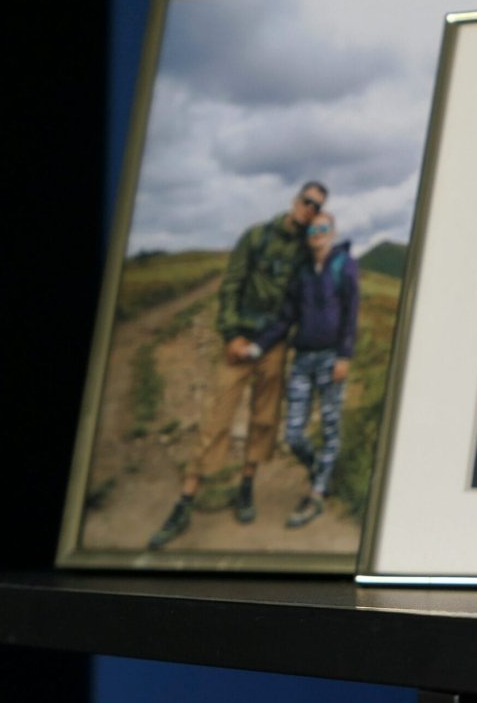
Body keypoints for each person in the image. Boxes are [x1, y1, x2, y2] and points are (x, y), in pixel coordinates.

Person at [148, 181, 326, 550]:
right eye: (306, 201)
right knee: (216, 417)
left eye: (316, 206)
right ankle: (186, 500)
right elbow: (231, 284)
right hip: (238, 341)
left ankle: (246, 487)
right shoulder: (257, 236)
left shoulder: (305, 253)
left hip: (272, 348)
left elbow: (301, 301)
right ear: (295, 201)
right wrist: (230, 334)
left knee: (263, 420)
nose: (309, 209)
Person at [246, 210, 359, 528]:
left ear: (333, 232)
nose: (318, 233)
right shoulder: (302, 273)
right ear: (307, 236)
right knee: (293, 433)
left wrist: (344, 356)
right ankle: (321, 470)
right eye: (312, 229)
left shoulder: (344, 265)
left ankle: (317, 495)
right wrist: (258, 346)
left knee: (329, 426)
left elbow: (351, 313)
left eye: (323, 228)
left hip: (330, 358)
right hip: (303, 358)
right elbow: (285, 317)